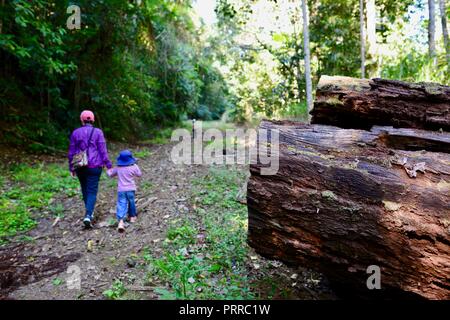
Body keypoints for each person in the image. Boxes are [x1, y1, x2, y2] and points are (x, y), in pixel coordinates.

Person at [68, 110, 112, 228]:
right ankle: (88, 214)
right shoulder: (98, 132)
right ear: (92, 120)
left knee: (84, 189)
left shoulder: (75, 133)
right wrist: (108, 165)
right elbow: (103, 150)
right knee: (92, 190)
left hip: (80, 165)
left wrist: (71, 167)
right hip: (95, 165)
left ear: (82, 120)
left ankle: (89, 212)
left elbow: (71, 151)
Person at [106, 150, 142, 232]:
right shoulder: (134, 166)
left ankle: (121, 221)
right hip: (131, 189)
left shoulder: (118, 168)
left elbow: (110, 174)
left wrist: (108, 168)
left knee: (121, 203)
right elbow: (139, 174)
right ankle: (132, 217)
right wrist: (136, 166)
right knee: (131, 202)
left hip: (121, 190)